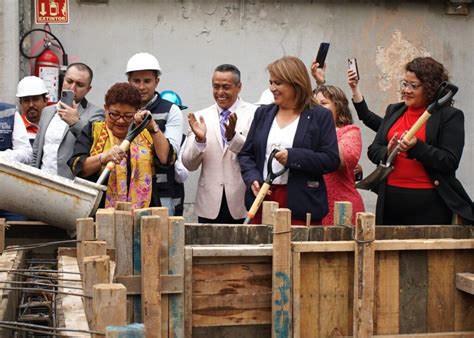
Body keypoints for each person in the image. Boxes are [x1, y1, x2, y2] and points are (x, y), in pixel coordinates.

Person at [368, 56, 474, 225]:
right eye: (404, 84)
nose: (406, 90)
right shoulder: (394, 110)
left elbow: (449, 161)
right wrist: (388, 150)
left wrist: (417, 147)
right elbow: (373, 149)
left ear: (431, 88)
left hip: (429, 203)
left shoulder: (449, 116)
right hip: (390, 199)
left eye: (414, 86)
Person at [239, 56, 340, 225]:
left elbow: (331, 159)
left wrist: (293, 157)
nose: (272, 88)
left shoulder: (320, 116)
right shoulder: (262, 114)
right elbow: (246, 155)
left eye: (278, 83)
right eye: (271, 82)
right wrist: (253, 179)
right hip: (263, 200)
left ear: (295, 83)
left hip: (301, 205)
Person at [69, 82, 173, 209]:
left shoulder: (146, 135)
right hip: (100, 212)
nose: (121, 120)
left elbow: (166, 159)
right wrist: (103, 157)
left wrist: (153, 128)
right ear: (106, 109)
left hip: (144, 212)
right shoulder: (93, 130)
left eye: (128, 116)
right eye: (114, 114)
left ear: (137, 112)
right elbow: (77, 167)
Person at [183, 64, 257, 223]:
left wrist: (232, 138)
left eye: (226, 87)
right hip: (209, 204)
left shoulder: (255, 114)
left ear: (239, 87)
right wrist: (199, 140)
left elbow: (256, 154)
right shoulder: (200, 117)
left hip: (243, 202)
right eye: (216, 87)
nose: (220, 92)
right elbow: (188, 164)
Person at [126, 52, 183, 215]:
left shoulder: (171, 110)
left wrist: (152, 128)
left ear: (157, 81)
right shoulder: (121, 109)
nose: (141, 86)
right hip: (125, 193)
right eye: (136, 81)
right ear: (129, 81)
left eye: (147, 81)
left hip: (162, 194)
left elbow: (167, 157)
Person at [32, 63, 104, 179]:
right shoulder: (47, 111)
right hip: (41, 180)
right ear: (63, 80)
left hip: (70, 185)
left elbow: (96, 147)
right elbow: (36, 151)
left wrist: (75, 123)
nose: (72, 88)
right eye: (69, 81)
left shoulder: (96, 113)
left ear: (88, 89)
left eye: (79, 85)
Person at [314, 85, 365, 225]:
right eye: (314, 105)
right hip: (314, 207)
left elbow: (342, 159)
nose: (317, 109)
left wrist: (324, 129)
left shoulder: (350, 131)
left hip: (343, 208)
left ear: (338, 106)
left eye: (323, 104)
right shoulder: (308, 131)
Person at [0, 103, 32, 221]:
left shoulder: (10, 113)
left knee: (19, 233)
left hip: (9, 198)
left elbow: (26, 153)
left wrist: (3, 157)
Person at [161, 89, 189, 217]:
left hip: (173, 199)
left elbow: (181, 176)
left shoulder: (183, 139)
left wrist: (172, 156)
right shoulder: (147, 135)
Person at [16, 76, 49, 145]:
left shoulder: (54, 125)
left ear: (45, 100)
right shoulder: (15, 127)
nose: (31, 105)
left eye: (35, 99)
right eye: (26, 100)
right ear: (20, 103)